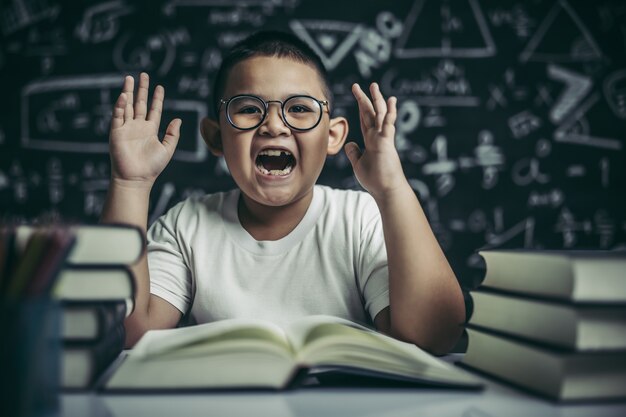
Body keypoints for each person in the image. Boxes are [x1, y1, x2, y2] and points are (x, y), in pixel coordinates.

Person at [101, 30, 466, 355]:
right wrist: (130, 185)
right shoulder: (187, 226)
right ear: (215, 136)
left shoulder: (361, 219)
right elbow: (128, 331)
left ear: (333, 136)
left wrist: (391, 189)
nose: (274, 125)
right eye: (247, 109)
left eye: (299, 109)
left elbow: (435, 334)